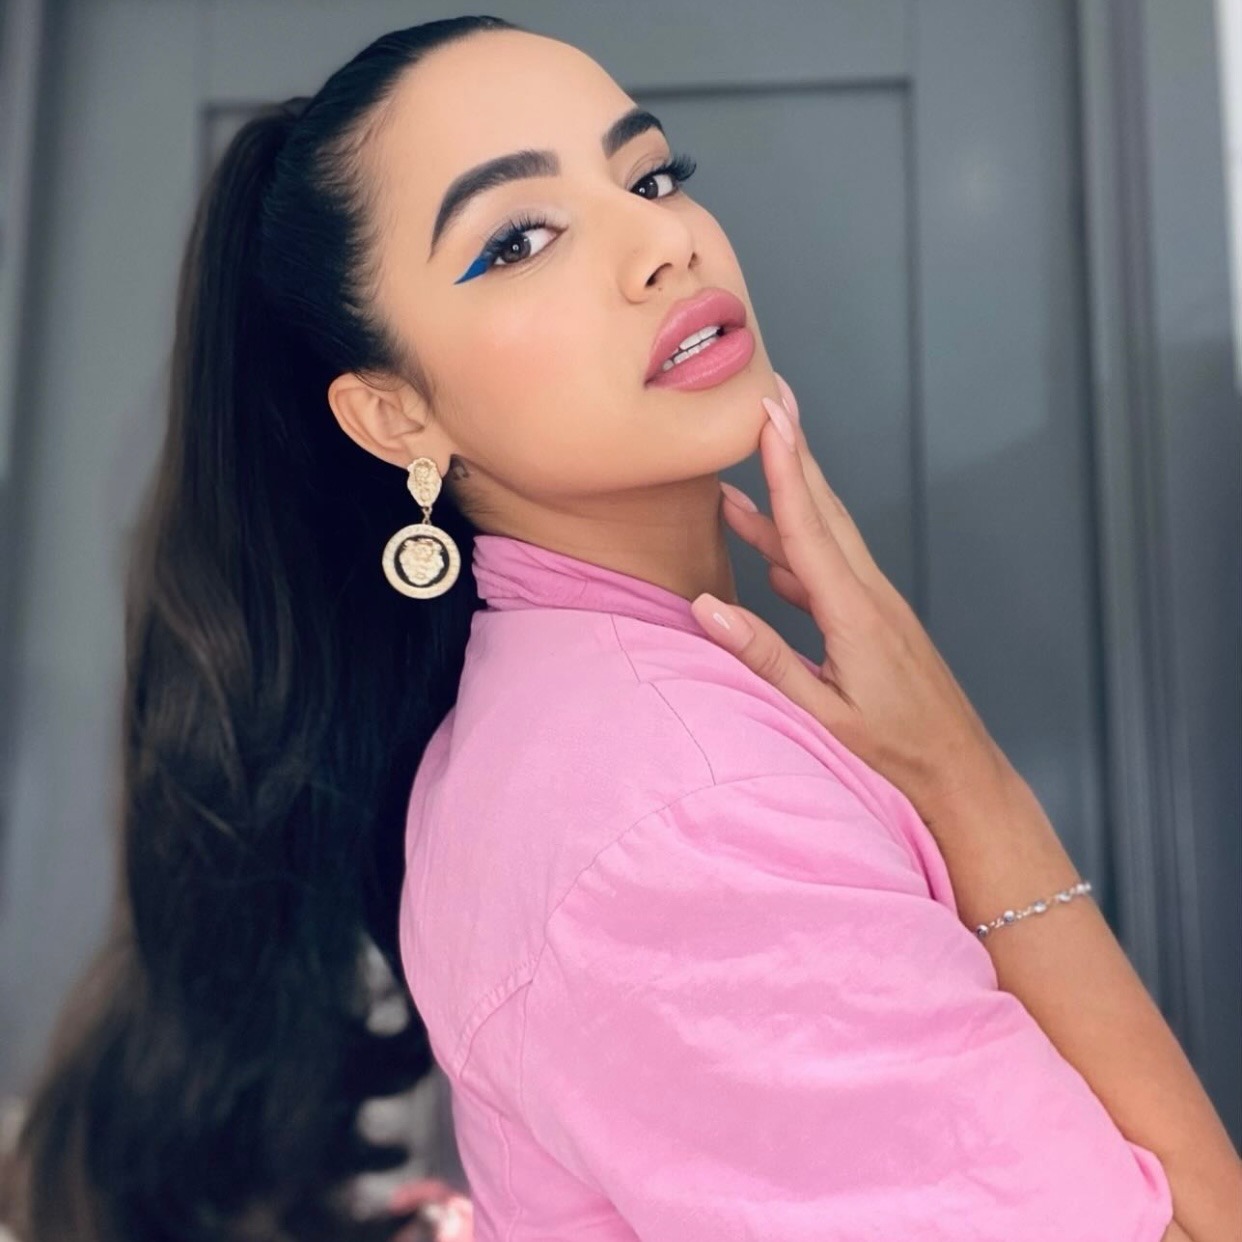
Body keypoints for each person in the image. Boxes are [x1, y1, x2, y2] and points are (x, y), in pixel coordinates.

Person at [2, 13, 1238, 1242]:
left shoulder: (587, 728)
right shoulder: (677, 814)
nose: (664, 241)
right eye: (518, 239)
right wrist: (966, 781)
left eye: (650, 175)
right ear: (397, 418)